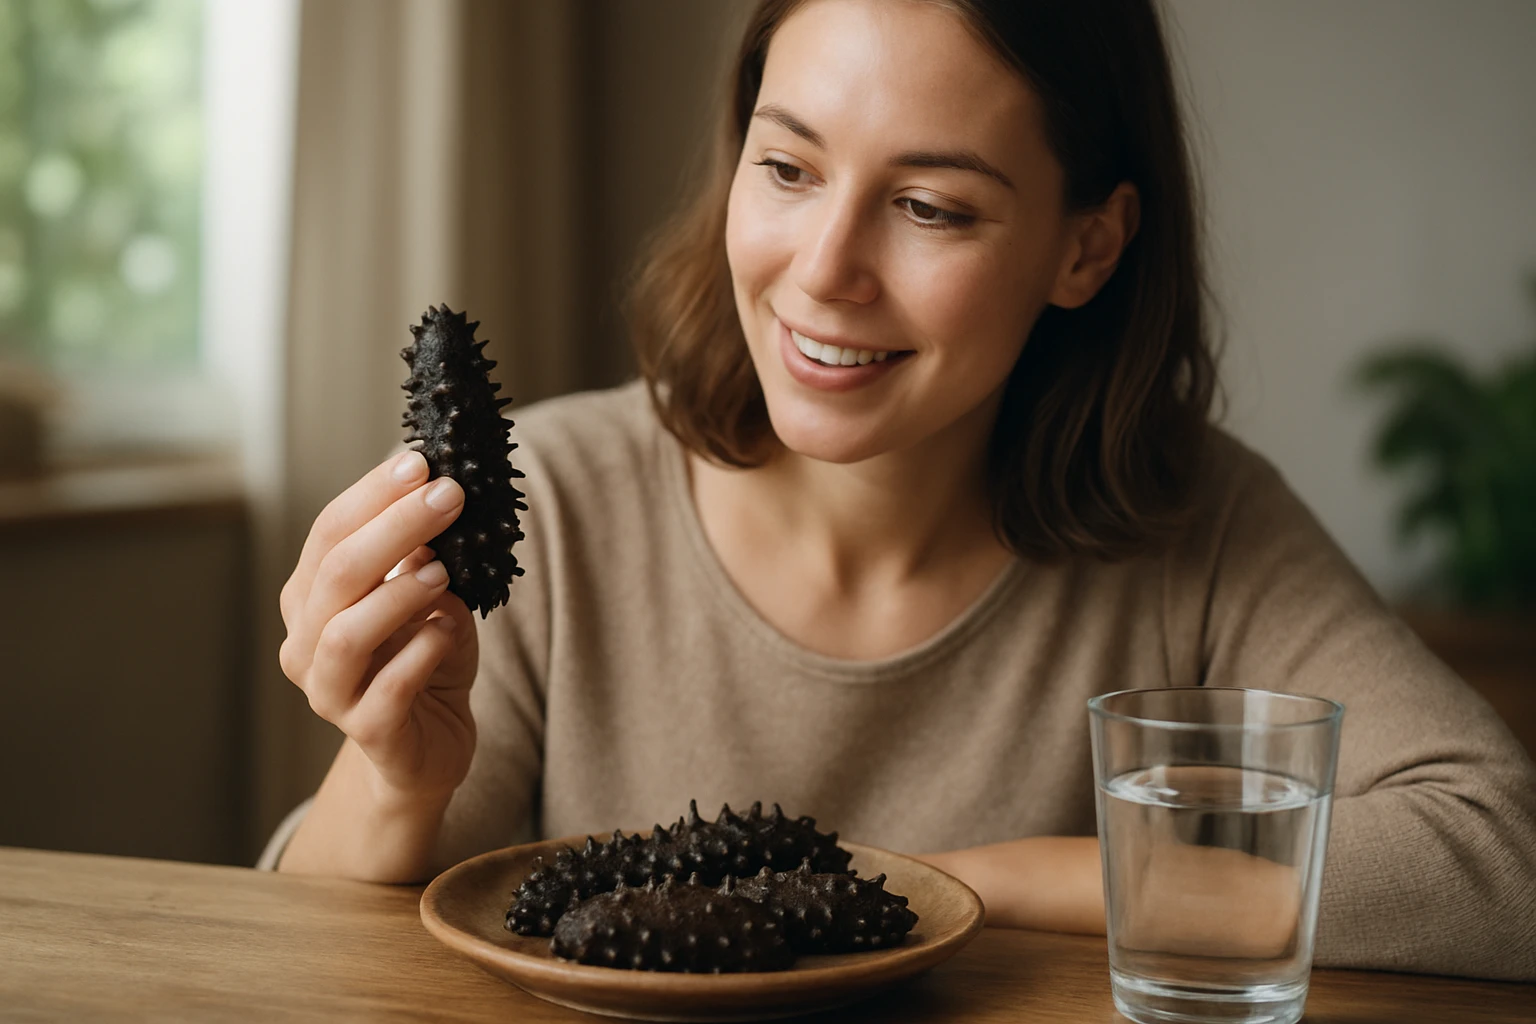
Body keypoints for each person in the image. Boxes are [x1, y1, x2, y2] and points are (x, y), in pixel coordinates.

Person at [270, 0, 1536, 979]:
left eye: (929, 206)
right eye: (788, 169)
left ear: (1086, 246)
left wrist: (966, 883)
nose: (826, 271)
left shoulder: (1198, 525)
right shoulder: (559, 503)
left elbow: (1501, 860)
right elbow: (307, 958)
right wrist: (394, 779)